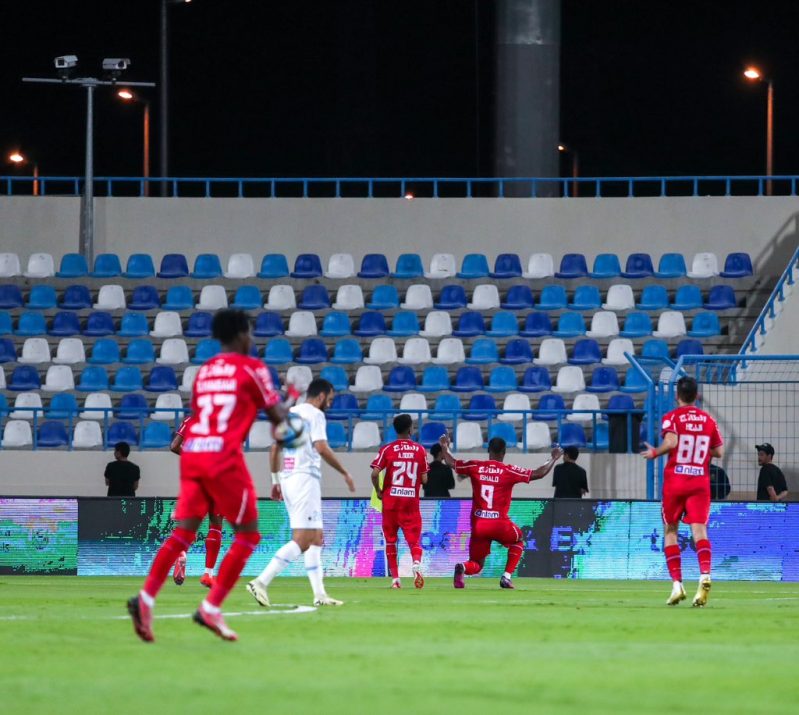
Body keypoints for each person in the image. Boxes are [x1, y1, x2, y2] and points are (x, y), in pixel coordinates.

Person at [127, 309, 296, 642]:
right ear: (242, 334)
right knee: (248, 535)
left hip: (194, 456)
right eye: (249, 333)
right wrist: (289, 402)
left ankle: (145, 599)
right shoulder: (252, 368)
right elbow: (278, 417)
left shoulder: (204, 371)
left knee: (184, 533)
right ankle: (211, 607)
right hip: (223, 457)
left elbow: (201, 415)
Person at [247, 378, 356, 607]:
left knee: (316, 538)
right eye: (330, 399)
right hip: (305, 478)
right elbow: (321, 447)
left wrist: (275, 480)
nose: (330, 404)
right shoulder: (315, 415)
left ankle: (320, 594)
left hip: (289, 478)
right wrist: (345, 472)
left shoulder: (289, 414)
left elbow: (275, 447)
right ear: (321, 396)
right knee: (303, 539)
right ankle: (261, 581)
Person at [439, 434, 562, 589]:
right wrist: (553, 458)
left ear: (488, 450)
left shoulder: (475, 466)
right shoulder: (508, 470)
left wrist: (445, 446)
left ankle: (462, 567)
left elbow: (451, 462)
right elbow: (539, 473)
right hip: (499, 524)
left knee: (477, 563)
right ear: (504, 452)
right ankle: (506, 577)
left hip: (479, 525)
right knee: (518, 540)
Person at [642, 376, 724, 607]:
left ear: (677, 395)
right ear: (696, 395)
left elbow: (671, 442)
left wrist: (655, 453)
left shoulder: (672, 417)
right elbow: (719, 452)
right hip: (699, 482)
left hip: (676, 481)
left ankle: (677, 585)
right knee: (700, 531)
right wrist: (701, 447)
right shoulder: (708, 420)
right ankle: (705, 575)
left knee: (670, 531)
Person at [369, 414, 429, 589]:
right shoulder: (420, 450)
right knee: (414, 541)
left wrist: (379, 491)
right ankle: (416, 563)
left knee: (390, 540)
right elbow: (424, 480)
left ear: (395, 430)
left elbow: (374, 474)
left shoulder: (387, 449)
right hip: (410, 502)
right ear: (410, 429)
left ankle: (395, 579)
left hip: (390, 502)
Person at [169, 417, 223, 589]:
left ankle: (182, 552)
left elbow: (174, 446)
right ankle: (208, 574)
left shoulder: (191, 420)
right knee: (215, 524)